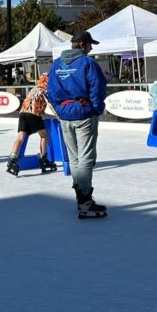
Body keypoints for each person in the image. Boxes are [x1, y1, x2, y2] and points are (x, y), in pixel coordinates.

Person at [47, 31, 107, 219]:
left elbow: (50, 90)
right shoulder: (88, 63)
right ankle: (85, 201)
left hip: (65, 115)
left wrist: (59, 109)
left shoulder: (56, 65)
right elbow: (97, 87)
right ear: (82, 44)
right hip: (83, 113)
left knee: (73, 158)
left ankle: (81, 198)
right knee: (86, 157)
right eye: (90, 45)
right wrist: (96, 108)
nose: (91, 48)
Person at [6, 74, 56, 176]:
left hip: (22, 113)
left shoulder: (34, 88)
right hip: (33, 113)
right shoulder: (44, 90)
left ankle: (12, 159)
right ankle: (43, 159)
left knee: (20, 137)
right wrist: (58, 116)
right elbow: (50, 105)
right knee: (44, 136)